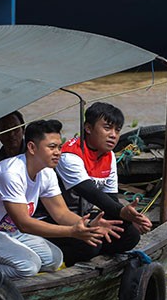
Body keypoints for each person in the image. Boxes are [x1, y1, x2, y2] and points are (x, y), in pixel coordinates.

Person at [0, 119, 123, 287]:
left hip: (5, 230)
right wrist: (72, 232)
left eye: (59, 147)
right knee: (28, 266)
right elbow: (24, 224)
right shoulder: (11, 173)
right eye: (52, 147)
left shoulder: (47, 172)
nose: (58, 152)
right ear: (32, 148)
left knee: (55, 259)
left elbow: (61, 213)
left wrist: (89, 225)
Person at [51, 101, 151, 267]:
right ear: (88, 128)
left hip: (86, 217)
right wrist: (122, 212)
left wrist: (130, 217)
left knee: (130, 235)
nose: (113, 135)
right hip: (60, 219)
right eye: (107, 128)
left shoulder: (109, 155)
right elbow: (91, 193)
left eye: (117, 130)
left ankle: (96, 250)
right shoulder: (70, 156)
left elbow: (110, 198)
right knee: (91, 246)